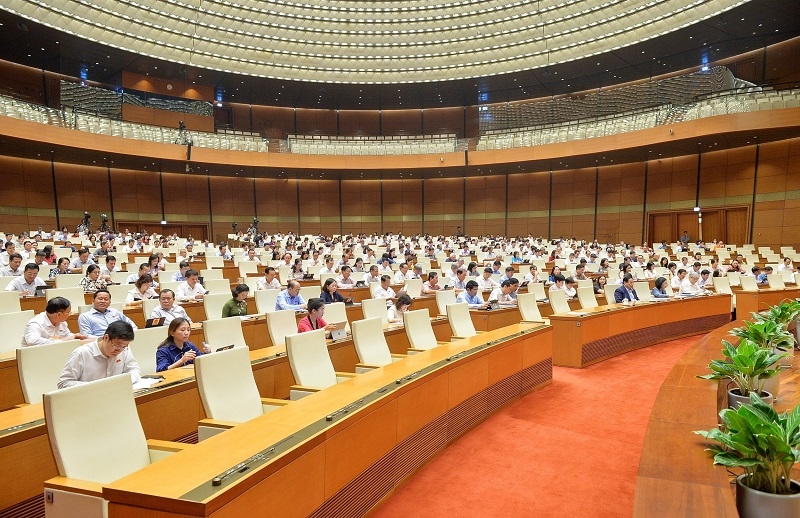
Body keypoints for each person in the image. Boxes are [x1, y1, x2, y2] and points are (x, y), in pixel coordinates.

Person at [58, 321, 140, 388]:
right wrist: (95, 387)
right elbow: (63, 383)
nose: (119, 350)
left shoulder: (124, 349)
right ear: (106, 338)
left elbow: (134, 369)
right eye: (117, 345)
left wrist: (123, 381)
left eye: (124, 346)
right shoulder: (81, 353)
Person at [23, 296, 87, 346]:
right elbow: (32, 341)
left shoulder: (62, 322)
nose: (70, 314)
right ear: (59, 314)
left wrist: (74, 336)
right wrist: (58, 341)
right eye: (68, 312)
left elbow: (66, 335)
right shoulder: (35, 323)